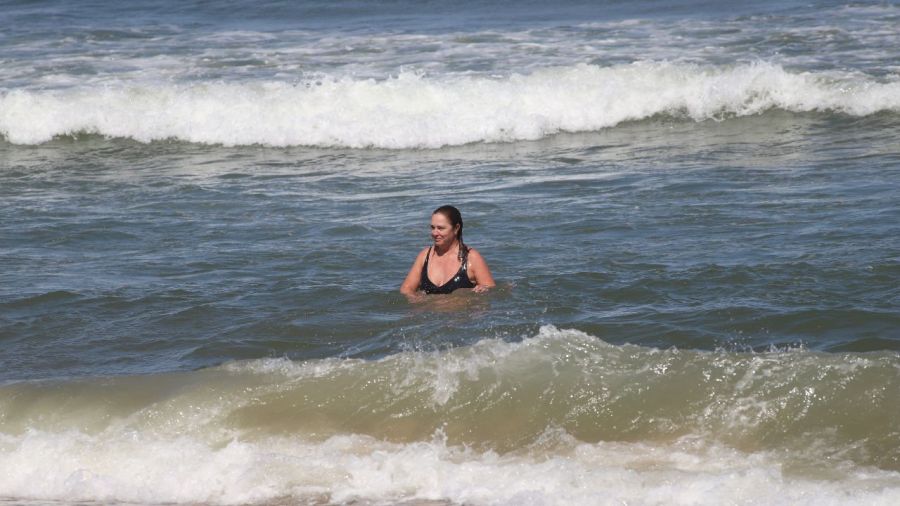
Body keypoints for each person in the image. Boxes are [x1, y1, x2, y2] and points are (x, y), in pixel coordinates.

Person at [400, 205, 495, 296]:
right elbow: (406, 289)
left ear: (456, 228)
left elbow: (491, 290)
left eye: (440, 228)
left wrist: (483, 290)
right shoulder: (425, 255)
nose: (434, 233)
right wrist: (415, 299)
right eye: (432, 227)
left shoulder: (472, 258)